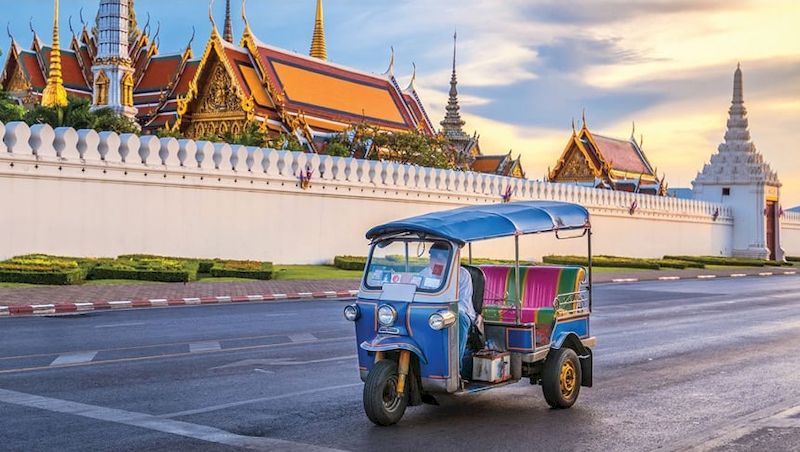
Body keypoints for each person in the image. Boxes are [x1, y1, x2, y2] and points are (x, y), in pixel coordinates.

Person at [420, 242, 475, 369]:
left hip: (458, 312)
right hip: (432, 313)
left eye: (439, 257)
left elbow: (463, 303)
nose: (434, 260)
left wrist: (446, 313)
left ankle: (455, 369)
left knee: (459, 319)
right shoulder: (424, 273)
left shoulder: (462, 274)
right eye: (432, 257)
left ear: (449, 258)